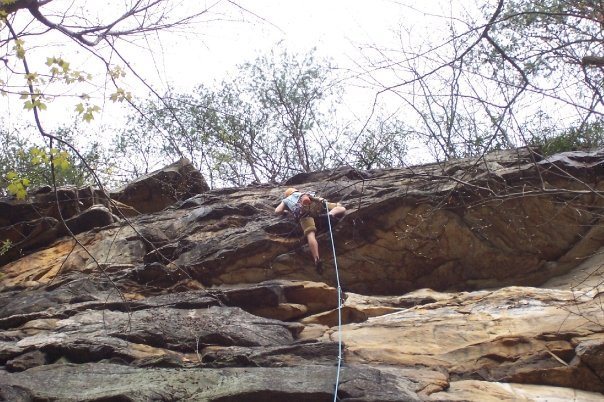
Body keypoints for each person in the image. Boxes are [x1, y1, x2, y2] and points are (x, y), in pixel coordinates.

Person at [275, 187, 346, 274]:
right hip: (315, 207)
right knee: (341, 208)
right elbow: (322, 200)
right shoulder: (306, 193)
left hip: (303, 214)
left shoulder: (286, 200)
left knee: (310, 235)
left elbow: (277, 211)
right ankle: (330, 214)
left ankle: (316, 259)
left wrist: (286, 211)